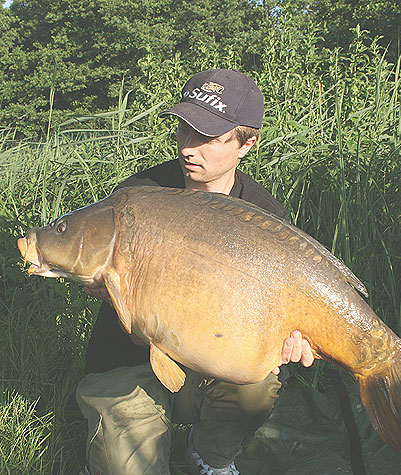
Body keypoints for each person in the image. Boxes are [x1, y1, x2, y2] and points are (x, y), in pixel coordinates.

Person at [76, 69, 314, 475]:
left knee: (257, 387)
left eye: (207, 138)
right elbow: (86, 254)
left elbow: (281, 311)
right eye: (184, 131)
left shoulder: (265, 217)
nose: (188, 148)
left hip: (212, 359)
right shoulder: (140, 194)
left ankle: (210, 455)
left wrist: (291, 340)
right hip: (127, 359)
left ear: (247, 143)